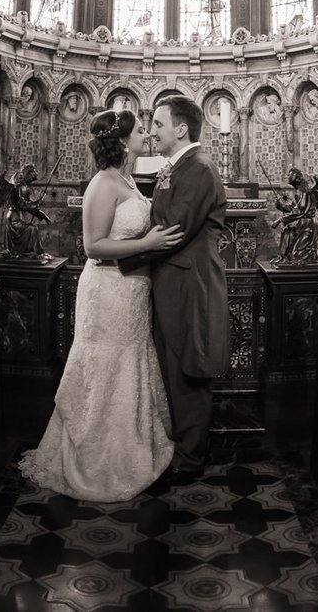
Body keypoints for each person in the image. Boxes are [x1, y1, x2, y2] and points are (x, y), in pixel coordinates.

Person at [18, 109, 183, 501]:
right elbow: (93, 246)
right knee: (104, 366)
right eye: (141, 129)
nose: (147, 133)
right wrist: (147, 244)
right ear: (124, 141)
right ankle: (94, 458)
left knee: (129, 364)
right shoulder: (102, 183)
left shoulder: (126, 179)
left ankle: (130, 450)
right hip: (107, 289)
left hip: (132, 293)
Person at [118, 95, 229, 480]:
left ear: (181, 129)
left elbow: (175, 229)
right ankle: (182, 447)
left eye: (159, 124)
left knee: (189, 370)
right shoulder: (179, 167)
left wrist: (122, 259)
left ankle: (191, 458)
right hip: (173, 280)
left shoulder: (198, 168)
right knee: (174, 366)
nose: (152, 132)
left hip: (189, 282)